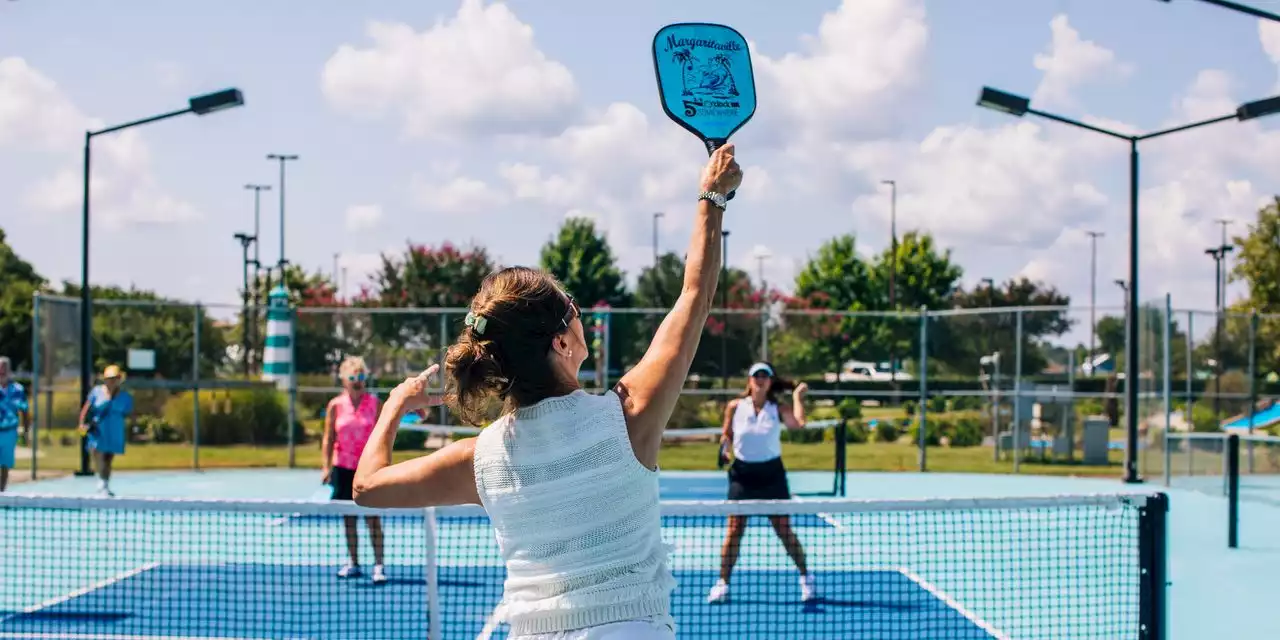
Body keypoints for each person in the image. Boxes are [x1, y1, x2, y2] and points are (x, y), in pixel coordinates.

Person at [351, 144, 742, 639]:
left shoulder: (480, 459)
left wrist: (393, 407)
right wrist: (712, 194)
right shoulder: (627, 415)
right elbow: (695, 295)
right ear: (562, 342)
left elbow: (365, 487)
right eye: (572, 307)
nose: (580, 315)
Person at [707, 361, 815, 605]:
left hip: (772, 475)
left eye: (765, 376)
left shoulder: (778, 408)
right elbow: (727, 435)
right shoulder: (735, 407)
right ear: (750, 380)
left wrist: (798, 397)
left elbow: (798, 425)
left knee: (784, 531)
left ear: (770, 382)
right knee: (734, 530)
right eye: (756, 375)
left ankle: (806, 578)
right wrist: (724, 450)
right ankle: (722, 583)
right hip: (742, 475)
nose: (760, 379)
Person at [321, 355, 389, 584]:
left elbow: (383, 438)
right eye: (353, 377)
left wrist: (383, 463)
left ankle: (379, 565)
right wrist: (326, 467)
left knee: (373, 518)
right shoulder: (335, 406)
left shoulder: (375, 404)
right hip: (342, 467)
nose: (358, 381)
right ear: (343, 380)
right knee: (348, 518)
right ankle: (354, 562)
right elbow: (329, 438)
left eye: (361, 376)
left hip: (368, 469)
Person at [77, 364, 133, 497]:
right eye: (110, 378)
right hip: (98, 429)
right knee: (98, 453)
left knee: (108, 458)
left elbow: (128, 414)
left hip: (115, 430)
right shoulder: (96, 392)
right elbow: (86, 409)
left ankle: (105, 482)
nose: (112, 381)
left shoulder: (125, 397)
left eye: (115, 378)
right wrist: (82, 423)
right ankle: (101, 480)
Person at [0, 356, 29, 492]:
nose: (2, 370)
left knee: (5, 463)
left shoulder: (17, 389)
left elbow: (24, 411)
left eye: (5, 367)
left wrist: (26, 431)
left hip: (10, 430)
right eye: (0, 367)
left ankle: (2, 491)